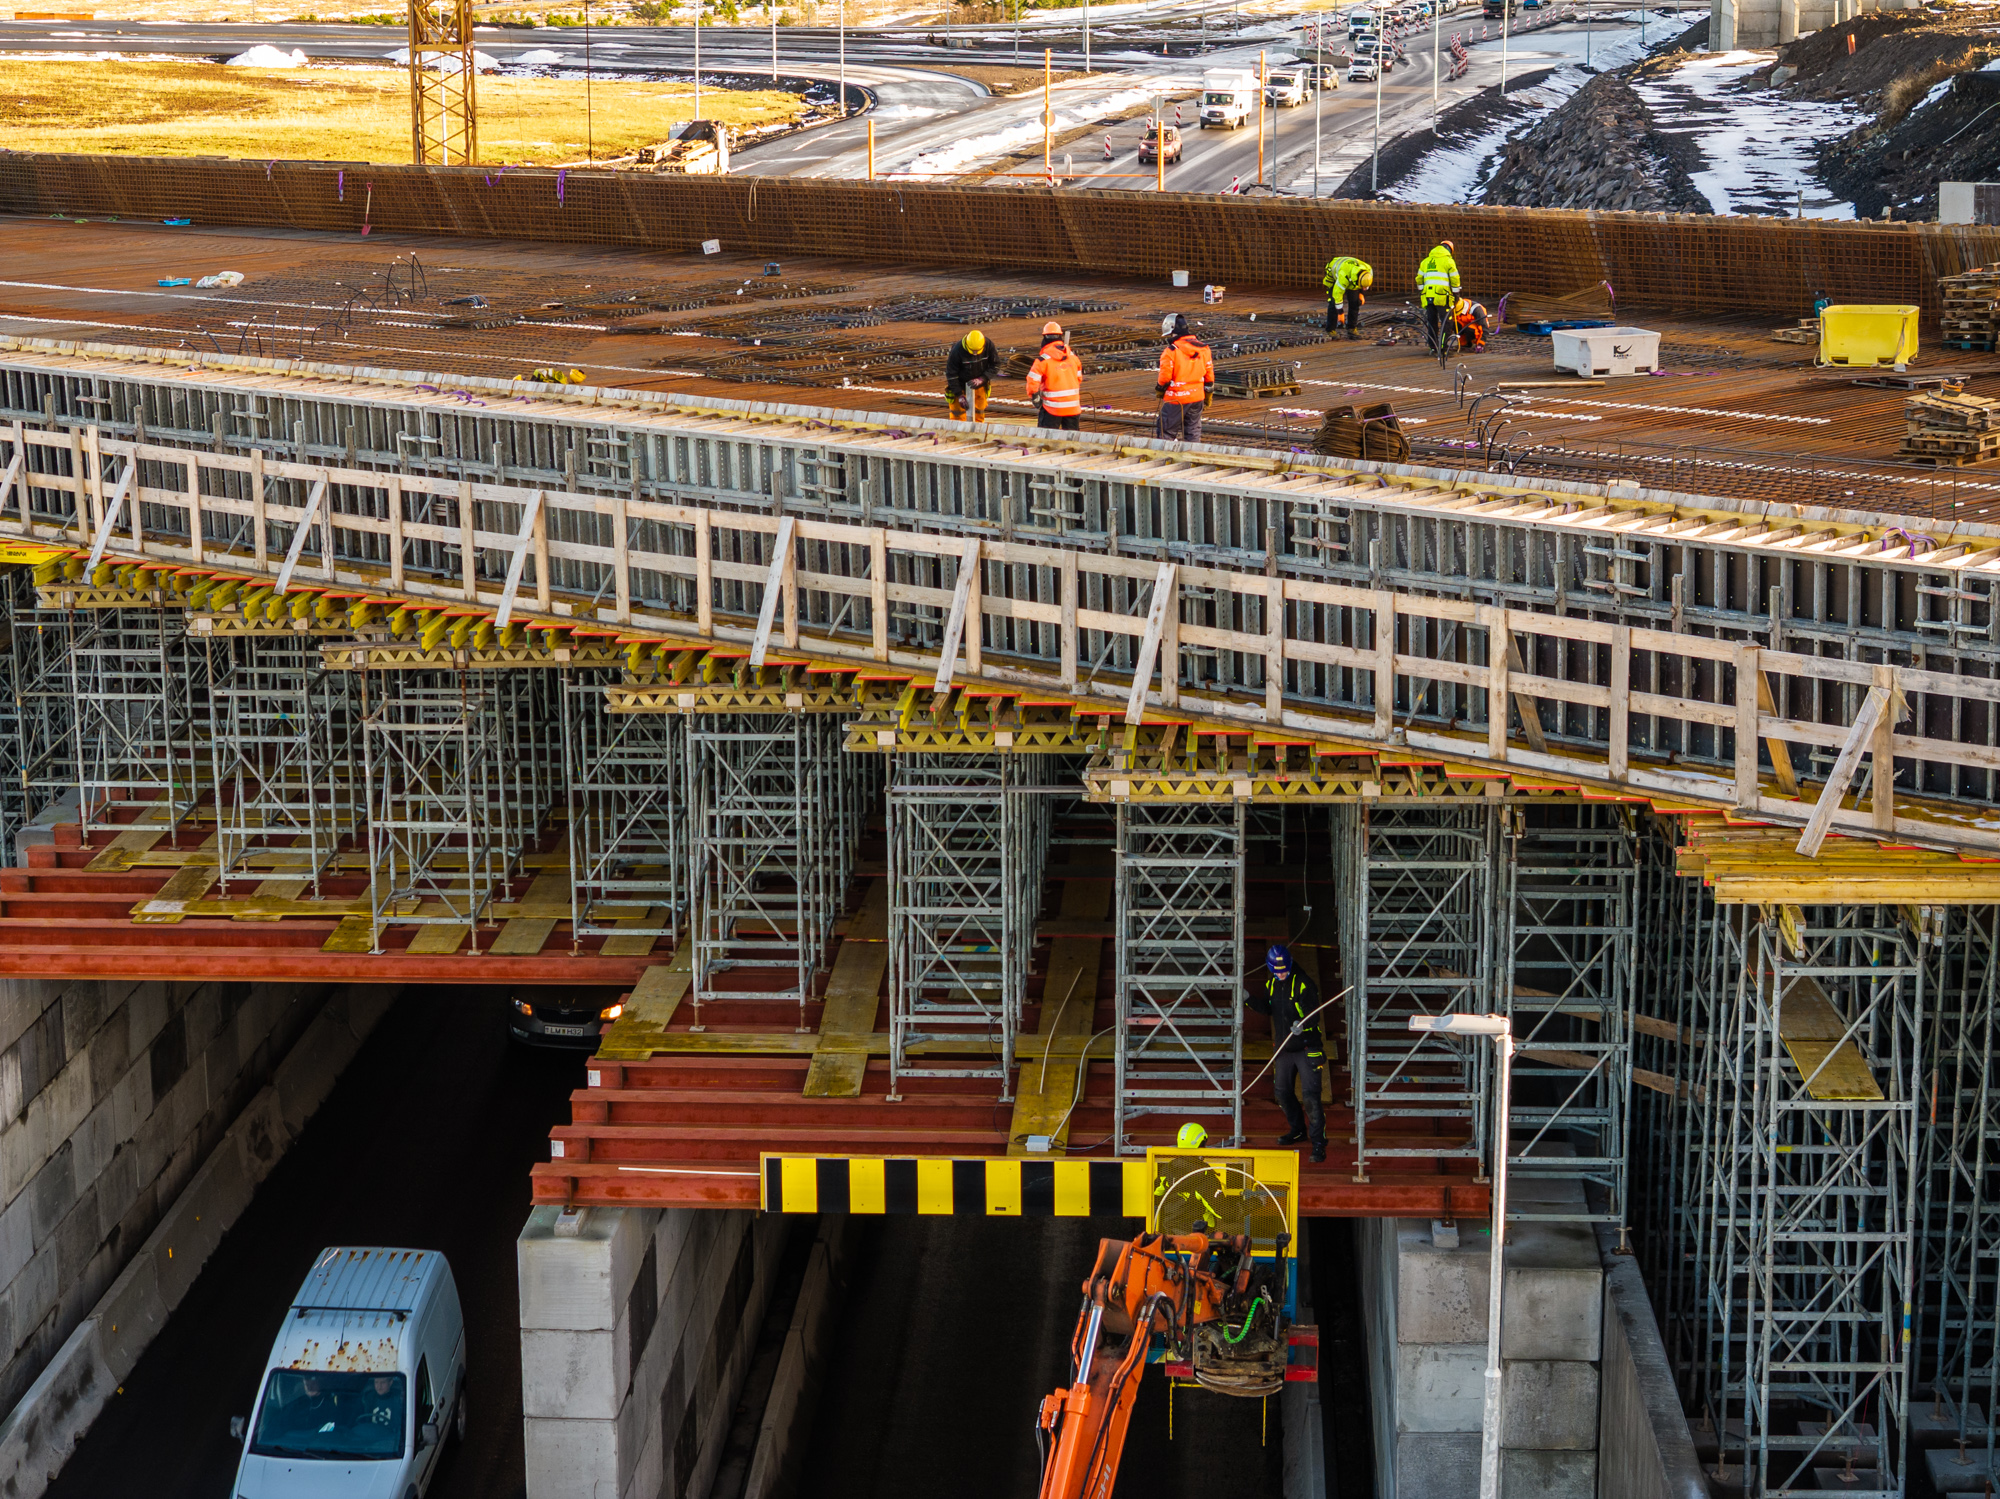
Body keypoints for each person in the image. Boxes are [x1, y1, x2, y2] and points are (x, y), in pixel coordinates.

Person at [1246, 942, 1326, 1163]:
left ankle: (1319, 1143)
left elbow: (1314, 1016)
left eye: (1283, 969)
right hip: (1284, 1048)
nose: (1280, 973)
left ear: (1290, 964)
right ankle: (1298, 1130)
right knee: (1282, 1092)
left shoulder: (1303, 984)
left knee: (1310, 1097)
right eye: (1276, 970)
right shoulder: (1272, 983)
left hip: (1308, 1047)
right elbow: (1268, 1007)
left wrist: (1303, 1024)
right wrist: (1247, 998)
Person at [1155, 313, 1214, 443]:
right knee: (1193, 432)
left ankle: (1165, 458)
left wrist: (1160, 389)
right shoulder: (1204, 348)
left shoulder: (1171, 351)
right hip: (1197, 397)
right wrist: (1208, 394)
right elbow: (1209, 375)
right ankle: (1193, 459)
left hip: (1177, 399)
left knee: (1166, 432)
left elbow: (1164, 377)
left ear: (1172, 331)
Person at [1026, 320, 1083, 431]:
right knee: (1072, 443)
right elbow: (1079, 379)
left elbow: (1032, 382)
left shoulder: (1042, 361)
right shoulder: (1074, 358)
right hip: (1073, 408)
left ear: (1045, 338)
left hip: (1051, 409)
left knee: (1046, 441)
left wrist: (1035, 398)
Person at [1416, 240, 1462, 355]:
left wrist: (1423, 291)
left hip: (1428, 297)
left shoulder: (1426, 261)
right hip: (1443, 297)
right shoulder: (1448, 261)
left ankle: (1433, 347)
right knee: (1447, 322)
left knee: (1432, 322)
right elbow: (1455, 279)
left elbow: (1419, 279)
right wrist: (1456, 294)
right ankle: (1443, 348)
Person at [944, 327, 999, 422]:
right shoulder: (957, 351)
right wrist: (959, 395)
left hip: (979, 386)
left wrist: (982, 379)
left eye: (977, 351)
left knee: (979, 414)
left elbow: (996, 365)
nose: (975, 354)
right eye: (973, 351)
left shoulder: (988, 345)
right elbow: (951, 375)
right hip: (960, 386)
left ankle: (977, 433)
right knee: (958, 416)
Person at [1322, 255, 1373, 338]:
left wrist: (1361, 294)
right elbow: (1337, 295)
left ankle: (1352, 328)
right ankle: (1330, 330)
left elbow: (1364, 285)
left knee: (1355, 302)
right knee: (1333, 303)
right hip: (1334, 273)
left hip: (1352, 278)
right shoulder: (1343, 276)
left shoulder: (1368, 270)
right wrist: (1340, 313)